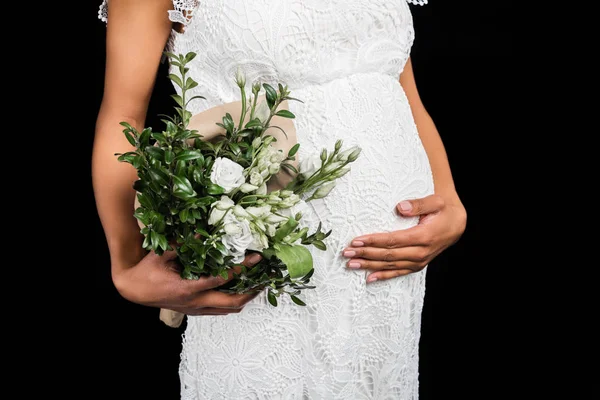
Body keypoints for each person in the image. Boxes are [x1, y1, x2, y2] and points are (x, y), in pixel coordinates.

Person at [93, 0, 467, 398]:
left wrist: (448, 199)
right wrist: (126, 264)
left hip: (388, 278)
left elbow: (391, 79)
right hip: (264, 257)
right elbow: (124, 115)